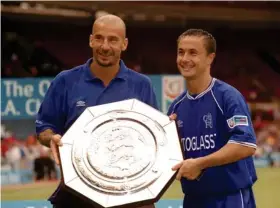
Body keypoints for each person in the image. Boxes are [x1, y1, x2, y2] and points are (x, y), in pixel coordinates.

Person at [36, 14, 157, 208]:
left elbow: (151, 139)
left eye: (113, 40)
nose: (105, 46)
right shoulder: (65, 81)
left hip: (129, 194)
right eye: (99, 38)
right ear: (91, 40)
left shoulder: (141, 85)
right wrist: (52, 138)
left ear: (124, 44)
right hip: (76, 194)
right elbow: (44, 127)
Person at [168, 29, 257, 208]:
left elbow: (245, 145)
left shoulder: (227, 97)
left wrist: (200, 164)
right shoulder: (175, 108)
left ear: (210, 58)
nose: (185, 58)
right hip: (193, 199)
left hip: (229, 198)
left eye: (193, 53)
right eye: (181, 52)